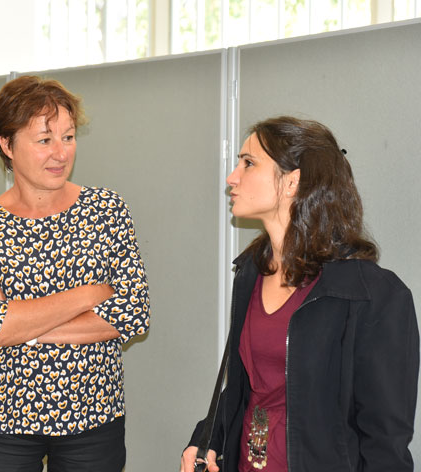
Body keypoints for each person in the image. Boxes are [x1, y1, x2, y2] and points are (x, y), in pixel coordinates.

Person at [180, 116, 419, 472]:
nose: (232, 177)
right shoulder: (250, 273)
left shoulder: (373, 296)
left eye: (248, 163)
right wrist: (206, 439)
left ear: (291, 181)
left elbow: (384, 444)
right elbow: (248, 387)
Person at [0, 75, 151, 471]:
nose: (60, 153)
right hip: (4, 419)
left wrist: (18, 320)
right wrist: (88, 295)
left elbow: (133, 313)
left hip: (94, 418)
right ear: (6, 145)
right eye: (44, 140)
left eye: (68, 137)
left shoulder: (106, 210)